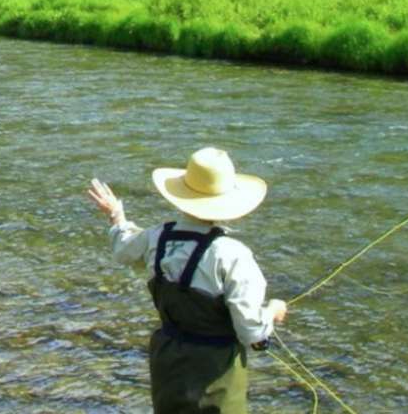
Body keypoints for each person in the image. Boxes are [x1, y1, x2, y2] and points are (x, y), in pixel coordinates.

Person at [88, 147, 287, 413]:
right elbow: (251, 333)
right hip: (216, 373)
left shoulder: (157, 237)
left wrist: (116, 215)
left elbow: (124, 249)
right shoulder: (233, 255)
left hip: (168, 362)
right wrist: (273, 310)